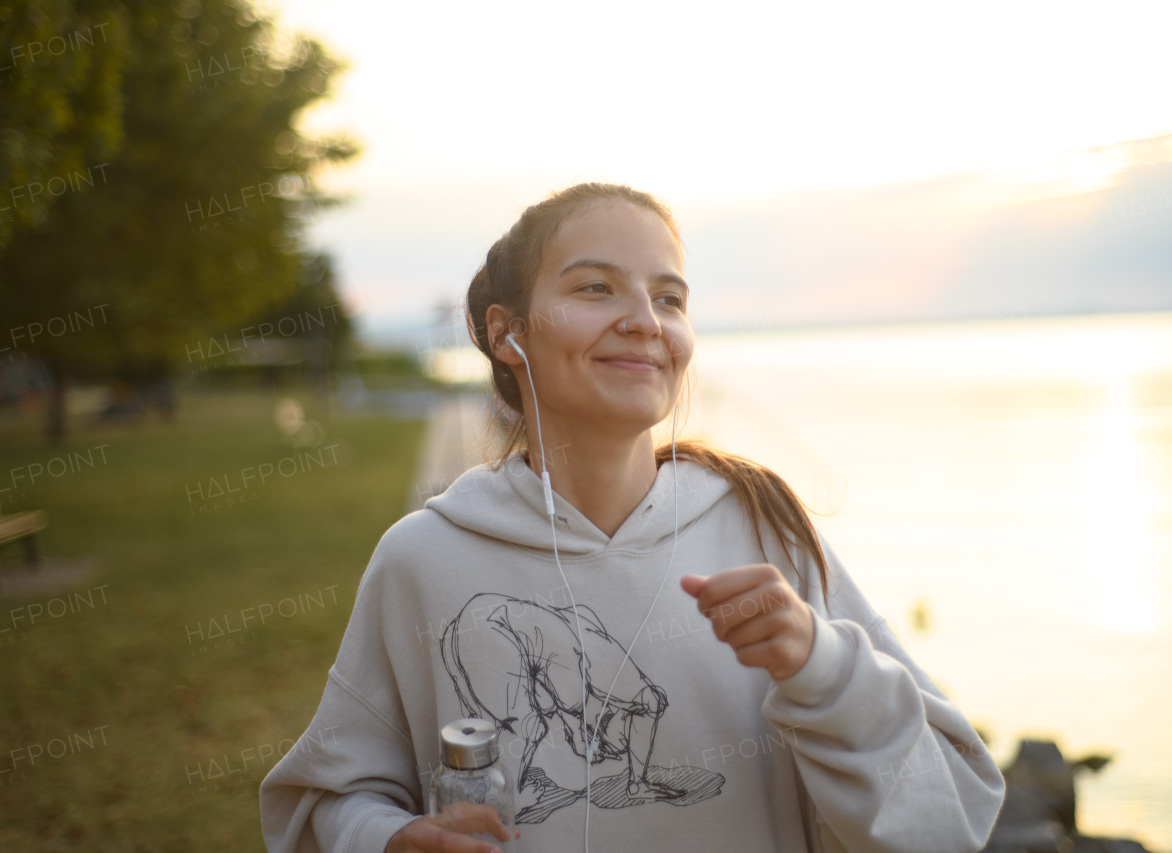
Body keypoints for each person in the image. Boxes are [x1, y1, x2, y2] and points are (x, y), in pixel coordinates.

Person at [259, 182, 1005, 853]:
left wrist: (823, 665)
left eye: (670, 298)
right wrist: (387, 838)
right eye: (597, 288)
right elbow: (326, 801)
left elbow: (954, 814)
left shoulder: (765, 529)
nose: (646, 321)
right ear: (504, 333)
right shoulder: (420, 559)